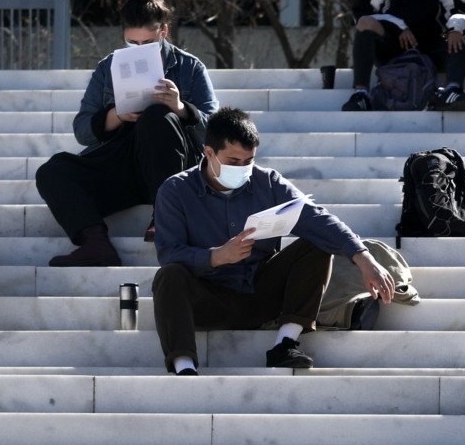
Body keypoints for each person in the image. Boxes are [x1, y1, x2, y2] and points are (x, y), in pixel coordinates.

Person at [151, 108, 394, 374]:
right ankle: (183, 366)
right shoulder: (175, 191)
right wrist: (216, 256)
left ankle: (285, 343)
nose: (242, 169)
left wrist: (363, 257)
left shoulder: (268, 182)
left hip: (262, 294)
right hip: (207, 300)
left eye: (249, 161)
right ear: (209, 153)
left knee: (316, 242)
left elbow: (317, 219)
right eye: (233, 161)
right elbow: (169, 253)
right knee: (168, 276)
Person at [35, 0, 217, 268]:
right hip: (123, 163)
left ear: (164, 32)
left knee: (157, 117)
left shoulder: (190, 67)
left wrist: (180, 108)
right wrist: (116, 115)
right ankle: (95, 243)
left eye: (148, 44)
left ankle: (166, 218)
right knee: (51, 171)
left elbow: (215, 132)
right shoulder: (108, 67)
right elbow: (82, 130)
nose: (140, 49)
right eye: (132, 43)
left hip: (171, 166)